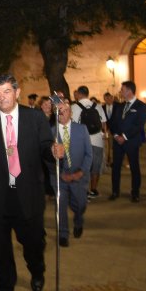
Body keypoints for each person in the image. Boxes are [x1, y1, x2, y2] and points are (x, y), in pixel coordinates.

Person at [0, 74, 59, 291]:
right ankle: (3, 287)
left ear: (17, 92)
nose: (1, 98)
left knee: (32, 241)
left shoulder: (34, 118)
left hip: (28, 193)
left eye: (6, 92)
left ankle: (37, 270)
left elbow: (44, 147)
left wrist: (53, 151)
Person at [50, 103, 92, 247]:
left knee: (80, 204)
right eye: (58, 111)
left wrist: (80, 172)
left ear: (71, 113)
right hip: (59, 177)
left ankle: (78, 220)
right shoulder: (51, 132)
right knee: (60, 206)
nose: (61, 113)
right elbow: (47, 159)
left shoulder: (82, 129)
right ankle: (63, 233)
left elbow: (89, 154)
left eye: (64, 110)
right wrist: (60, 174)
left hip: (79, 176)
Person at [109, 81, 146, 202]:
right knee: (115, 167)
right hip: (117, 142)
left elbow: (138, 125)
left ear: (129, 91)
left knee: (134, 167)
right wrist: (116, 135)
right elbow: (112, 122)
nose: (121, 91)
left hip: (131, 142)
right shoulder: (119, 106)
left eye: (122, 89)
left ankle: (135, 193)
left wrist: (124, 136)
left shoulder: (141, 106)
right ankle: (115, 191)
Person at [71, 86, 106, 199]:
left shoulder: (74, 107)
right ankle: (94, 190)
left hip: (82, 142)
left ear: (79, 94)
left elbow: (72, 125)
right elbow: (103, 124)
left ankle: (84, 190)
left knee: (83, 166)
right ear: (87, 93)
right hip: (97, 141)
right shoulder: (98, 106)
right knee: (95, 167)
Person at [102, 92, 119, 167]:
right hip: (106, 130)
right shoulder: (102, 107)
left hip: (116, 130)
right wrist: (104, 129)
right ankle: (106, 161)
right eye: (106, 99)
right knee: (106, 146)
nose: (108, 100)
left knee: (113, 147)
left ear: (112, 98)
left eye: (109, 98)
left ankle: (112, 161)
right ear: (104, 99)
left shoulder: (118, 106)